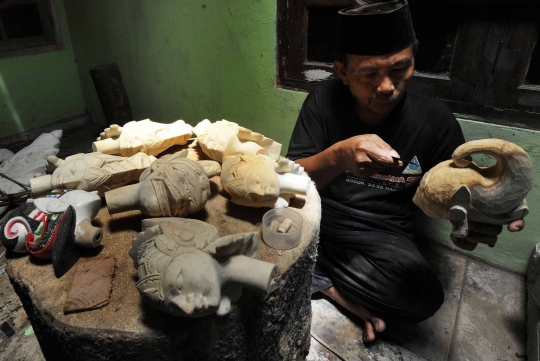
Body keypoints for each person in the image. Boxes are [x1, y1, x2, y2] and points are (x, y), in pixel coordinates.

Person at [286, 0, 525, 343]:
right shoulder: (322, 102)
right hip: (319, 213)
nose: (386, 86)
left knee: (423, 296)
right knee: (255, 215)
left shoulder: (435, 121)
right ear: (342, 72)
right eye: (368, 74)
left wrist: (469, 225)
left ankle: (316, 277)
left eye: (400, 69)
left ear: (413, 59)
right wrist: (339, 156)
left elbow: (453, 198)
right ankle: (336, 290)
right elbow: (293, 178)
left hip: (381, 234)